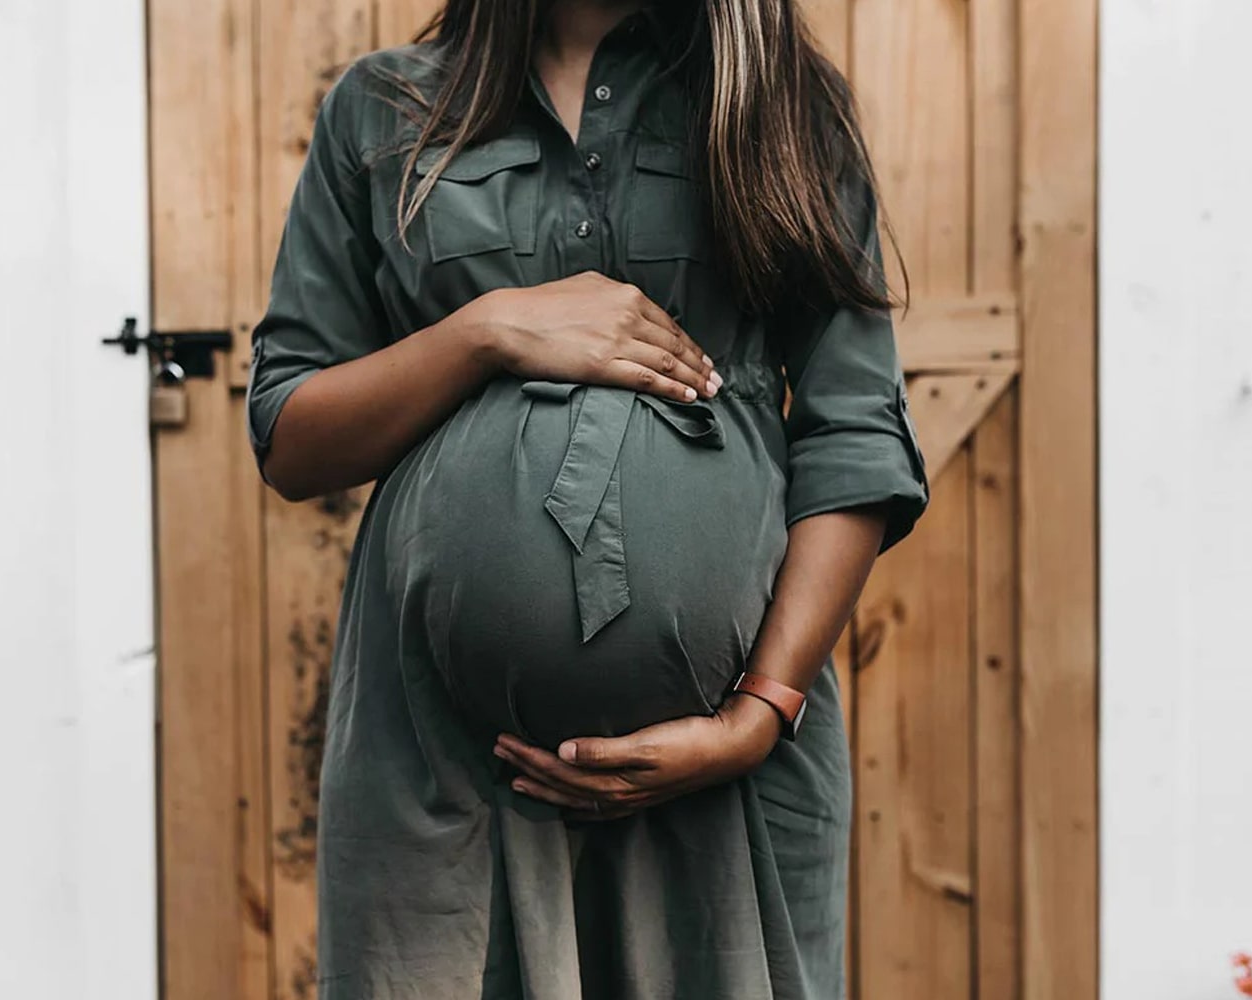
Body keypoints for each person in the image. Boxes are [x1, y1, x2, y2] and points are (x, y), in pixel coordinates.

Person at [244, 0, 930, 995]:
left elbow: (855, 431)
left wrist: (756, 713)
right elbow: (292, 438)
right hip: (443, 768)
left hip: (729, 766)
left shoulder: (779, 104)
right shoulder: (382, 110)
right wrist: (484, 330)